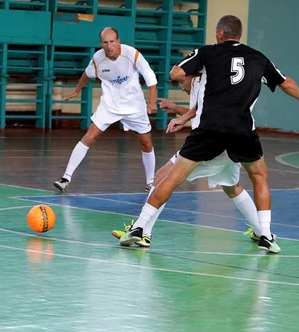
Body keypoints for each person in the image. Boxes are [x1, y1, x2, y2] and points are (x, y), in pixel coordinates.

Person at [119, 15, 299, 253]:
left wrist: (188, 73)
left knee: (170, 177)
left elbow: (176, 74)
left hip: (210, 129)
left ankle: (140, 229)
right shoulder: (258, 58)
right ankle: (265, 234)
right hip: (242, 130)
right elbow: (285, 82)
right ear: (239, 35)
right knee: (259, 176)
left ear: (220, 33)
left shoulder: (208, 53)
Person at [111, 73, 264, 247]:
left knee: (163, 177)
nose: (181, 85)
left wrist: (177, 111)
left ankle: (143, 231)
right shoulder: (215, 85)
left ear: (193, 76)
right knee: (232, 187)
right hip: (231, 144)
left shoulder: (203, 84)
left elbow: (197, 106)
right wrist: (177, 109)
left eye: (182, 80)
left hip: (207, 145)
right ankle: (262, 232)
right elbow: (197, 112)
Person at [53, 27, 158, 193]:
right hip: (110, 105)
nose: (109, 46)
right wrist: (77, 90)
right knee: (90, 136)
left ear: (118, 41)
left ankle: (151, 182)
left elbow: (151, 78)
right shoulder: (98, 58)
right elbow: (87, 74)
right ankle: (66, 178)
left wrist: (151, 103)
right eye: (105, 42)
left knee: (146, 143)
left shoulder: (132, 54)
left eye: (112, 41)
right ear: (101, 44)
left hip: (134, 106)